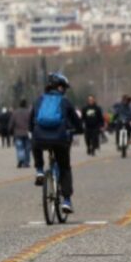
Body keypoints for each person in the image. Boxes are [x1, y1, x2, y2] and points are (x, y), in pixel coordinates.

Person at [31, 73, 83, 213]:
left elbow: (31, 120)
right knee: (65, 167)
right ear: (60, 87)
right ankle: (66, 200)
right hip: (60, 139)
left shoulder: (39, 100)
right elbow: (76, 121)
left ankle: (40, 170)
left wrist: (34, 132)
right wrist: (79, 130)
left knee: (35, 143)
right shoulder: (65, 101)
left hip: (40, 138)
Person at [7, 99, 32, 168]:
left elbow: (11, 123)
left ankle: (21, 159)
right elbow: (32, 122)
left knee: (19, 148)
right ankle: (26, 162)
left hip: (17, 133)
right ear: (26, 105)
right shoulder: (29, 112)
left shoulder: (15, 113)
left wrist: (10, 131)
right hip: (27, 133)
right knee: (27, 148)